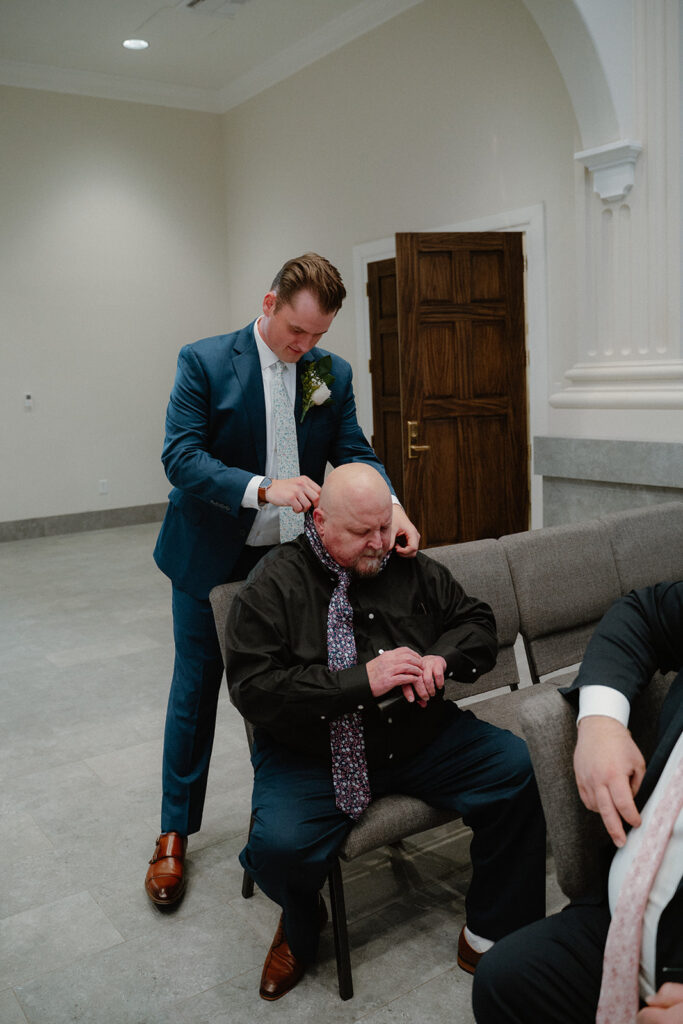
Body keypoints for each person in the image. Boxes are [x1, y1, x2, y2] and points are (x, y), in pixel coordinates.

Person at [146, 254, 419, 907]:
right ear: (269, 304)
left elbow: (353, 450)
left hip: (292, 563)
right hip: (211, 555)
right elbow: (180, 457)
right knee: (197, 689)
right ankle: (173, 834)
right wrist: (262, 488)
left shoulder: (327, 374)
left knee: (297, 687)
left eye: (318, 336)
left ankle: (291, 817)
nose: (305, 347)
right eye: (297, 332)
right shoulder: (207, 361)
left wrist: (395, 508)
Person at [224, 463, 546, 1001]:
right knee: (277, 847)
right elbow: (254, 689)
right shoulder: (273, 585)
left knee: (515, 770)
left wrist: (442, 658)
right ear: (320, 520)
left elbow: (478, 623)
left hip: (419, 735)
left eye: (384, 525)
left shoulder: (404, 564)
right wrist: (358, 682)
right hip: (316, 752)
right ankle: (302, 923)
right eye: (362, 533)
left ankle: (491, 929)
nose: (380, 543)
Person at [473, 580, 683, 1024]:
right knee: (504, 979)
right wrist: (601, 721)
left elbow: (472, 630)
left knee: (510, 772)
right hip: (623, 908)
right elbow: (641, 614)